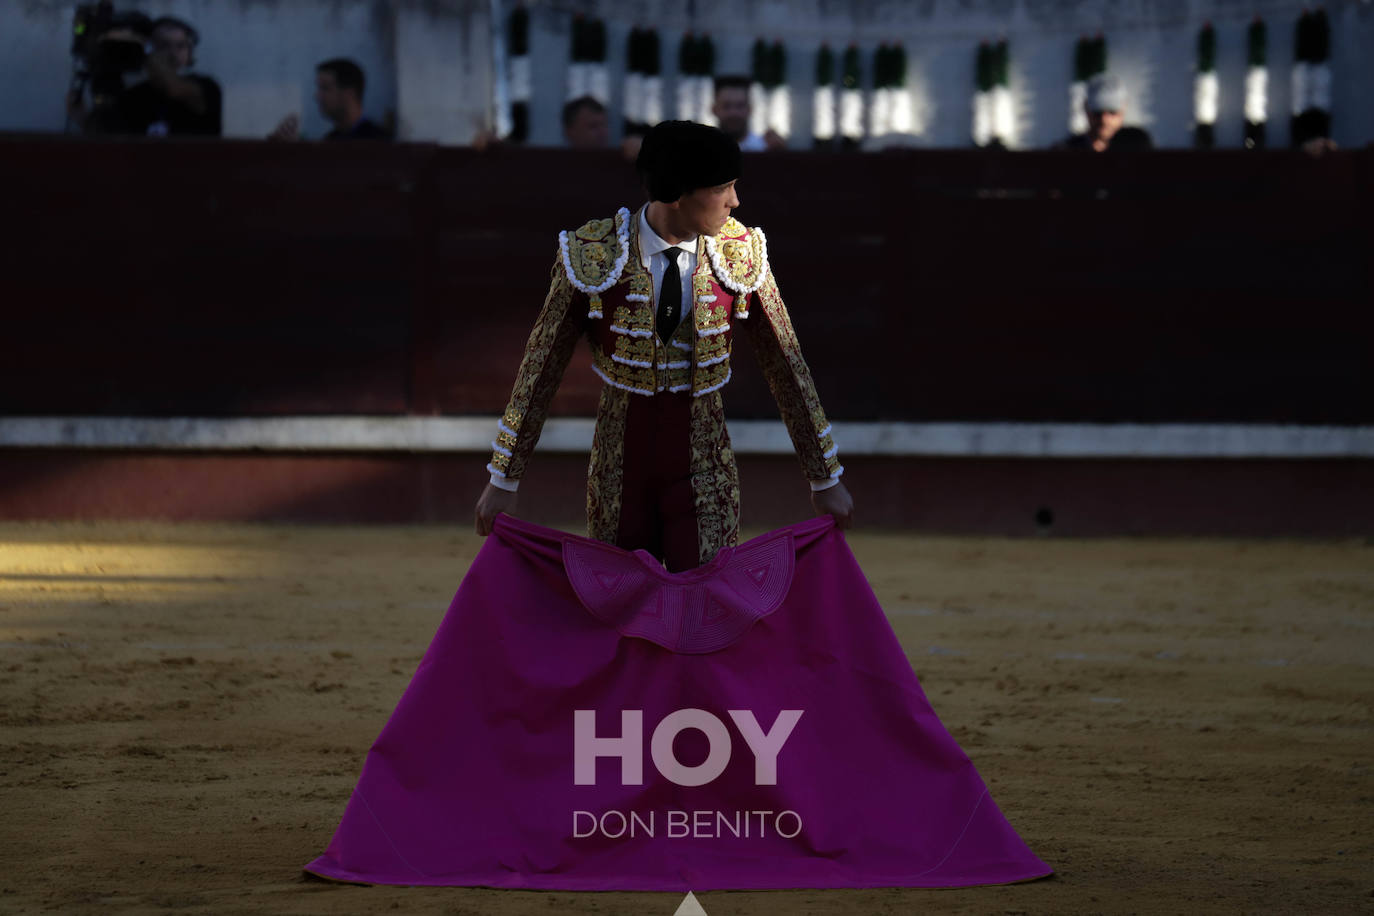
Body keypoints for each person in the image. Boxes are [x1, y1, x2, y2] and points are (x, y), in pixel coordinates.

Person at [474, 120, 852, 572]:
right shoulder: (592, 253)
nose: (735, 201)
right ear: (678, 192)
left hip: (706, 462)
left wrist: (824, 475)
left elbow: (786, 365)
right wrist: (504, 476)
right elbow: (541, 366)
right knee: (623, 605)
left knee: (706, 600)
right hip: (618, 467)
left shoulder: (742, 252)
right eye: (723, 188)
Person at [69, 15, 221, 137]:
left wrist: (148, 54)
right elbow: (112, 145)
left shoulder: (206, 87)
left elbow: (174, 89)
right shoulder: (132, 97)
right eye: (164, 45)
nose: (173, 53)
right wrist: (84, 120)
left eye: (180, 46)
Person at [270, 58, 391, 141]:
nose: (317, 96)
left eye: (325, 88)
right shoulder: (331, 139)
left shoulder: (377, 141)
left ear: (349, 94)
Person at [1058, 73, 1152, 151]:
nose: (1104, 119)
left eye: (1112, 111)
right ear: (1086, 108)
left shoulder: (1137, 144)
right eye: (1097, 112)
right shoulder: (1068, 149)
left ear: (1124, 107)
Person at [711, 75, 786, 152]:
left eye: (740, 106)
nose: (733, 112)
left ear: (750, 109)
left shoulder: (766, 149)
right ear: (714, 109)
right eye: (726, 106)